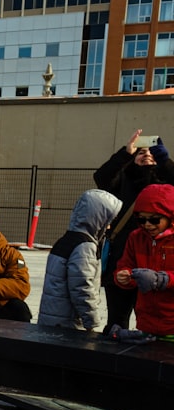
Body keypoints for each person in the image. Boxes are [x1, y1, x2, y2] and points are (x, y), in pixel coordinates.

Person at [94, 128, 174, 329]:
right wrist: (125, 152)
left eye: (151, 153)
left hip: (157, 263)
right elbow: (101, 177)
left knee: (153, 321)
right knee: (117, 321)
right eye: (140, 152)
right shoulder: (123, 179)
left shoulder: (165, 183)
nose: (146, 154)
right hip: (123, 257)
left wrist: (164, 160)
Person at [37, 188, 122, 332]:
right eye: (107, 221)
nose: (108, 226)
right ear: (97, 218)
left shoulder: (65, 239)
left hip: (52, 317)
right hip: (69, 323)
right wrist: (91, 322)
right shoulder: (85, 246)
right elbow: (82, 288)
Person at [114, 183, 174, 337]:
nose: (147, 224)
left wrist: (163, 279)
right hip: (146, 321)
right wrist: (124, 276)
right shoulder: (136, 237)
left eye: (154, 220)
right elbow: (126, 264)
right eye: (142, 219)